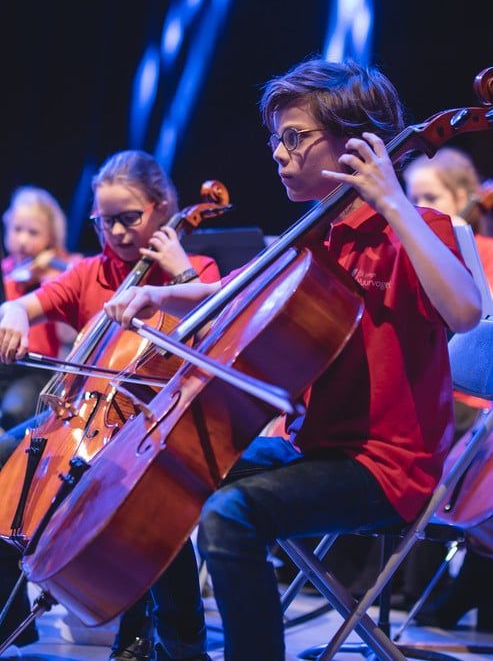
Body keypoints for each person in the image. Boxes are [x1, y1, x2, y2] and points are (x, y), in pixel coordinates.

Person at [102, 58, 482, 661]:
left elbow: (464, 311)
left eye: (294, 137)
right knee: (158, 468)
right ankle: (180, 650)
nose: (278, 153)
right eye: (275, 138)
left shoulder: (415, 228)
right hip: (313, 450)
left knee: (231, 516)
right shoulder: (316, 232)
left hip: (389, 468)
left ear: (358, 144)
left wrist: (392, 203)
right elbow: (240, 286)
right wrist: (157, 294)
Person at [0, 150, 219, 661]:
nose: (118, 233)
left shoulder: (194, 268)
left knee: (144, 499)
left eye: (130, 218)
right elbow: (22, 304)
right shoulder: (90, 273)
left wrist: (181, 273)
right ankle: (11, 617)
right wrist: (11, 312)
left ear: (162, 208)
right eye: (105, 221)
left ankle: (175, 642)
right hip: (83, 416)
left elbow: (217, 333)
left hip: (157, 424)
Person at [401, 147, 493, 630]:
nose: (421, 209)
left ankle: (473, 573)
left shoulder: (479, 252)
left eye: (431, 197)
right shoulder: (407, 250)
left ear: (464, 199)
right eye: (412, 198)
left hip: (469, 401)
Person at [0, 186, 79, 434]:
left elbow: (69, 335)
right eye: (17, 230)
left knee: (14, 410)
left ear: (51, 238)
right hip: (3, 362)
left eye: (33, 232)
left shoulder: (65, 272)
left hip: (35, 368)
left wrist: (49, 281)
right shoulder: (6, 271)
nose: (23, 240)